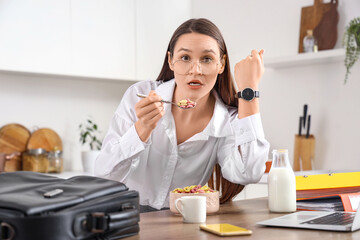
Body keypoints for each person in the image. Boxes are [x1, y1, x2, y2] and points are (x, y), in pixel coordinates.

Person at [95, 18, 270, 212]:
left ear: (221, 65)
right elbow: (104, 175)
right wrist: (141, 129)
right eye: (185, 58)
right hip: (123, 216)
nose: (195, 70)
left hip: (183, 220)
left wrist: (249, 91)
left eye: (207, 59)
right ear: (171, 61)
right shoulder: (139, 95)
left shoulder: (226, 121)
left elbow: (249, 172)